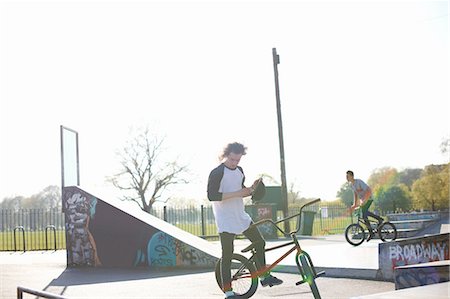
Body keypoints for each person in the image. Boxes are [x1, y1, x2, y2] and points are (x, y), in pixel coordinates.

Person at [207, 142, 283, 299]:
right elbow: (212, 196)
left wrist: (252, 190)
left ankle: (264, 277)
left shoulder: (240, 171)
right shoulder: (217, 172)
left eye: (238, 160)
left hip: (240, 215)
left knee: (260, 242)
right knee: (227, 255)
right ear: (226, 155)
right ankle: (228, 292)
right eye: (232, 159)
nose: (235, 163)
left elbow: (241, 192)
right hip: (225, 218)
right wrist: (238, 192)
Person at [346, 170, 384, 241]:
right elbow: (356, 194)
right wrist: (354, 204)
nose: (346, 177)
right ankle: (376, 224)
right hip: (363, 200)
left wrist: (365, 200)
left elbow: (369, 190)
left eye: (347, 176)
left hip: (369, 198)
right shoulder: (352, 185)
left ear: (352, 176)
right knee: (364, 215)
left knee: (364, 213)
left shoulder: (359, 182)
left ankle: (377, 222)